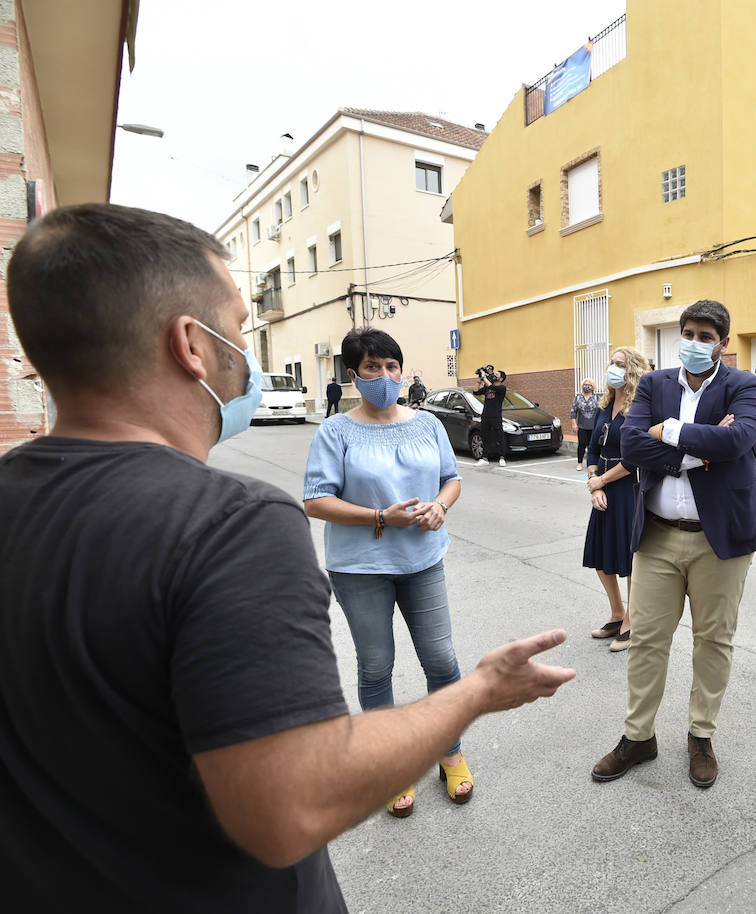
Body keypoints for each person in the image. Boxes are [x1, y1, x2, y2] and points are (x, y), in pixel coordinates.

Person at [0, 203, 575, 912]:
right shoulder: (229, 526)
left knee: (433, 654)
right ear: (191, 344)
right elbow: (288, 810)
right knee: (378, 667)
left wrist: (437, 507)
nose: (247, 349)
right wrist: (480, 693)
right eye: (239, 326)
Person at [591, 299, 756, 790]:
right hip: (658, 536)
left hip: (722, 541)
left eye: (706, 336)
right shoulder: (652, 383)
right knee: (647, 639)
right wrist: (700, 450)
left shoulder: (745, 386)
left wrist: (667, 434)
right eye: (688, 332)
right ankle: (638, 736)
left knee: (713, 640)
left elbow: (740, 443)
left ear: (723, 344)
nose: (694, 342)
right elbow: (631, 447)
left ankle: (700, 735)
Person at [304, 327, 474, 816]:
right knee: (376, 666)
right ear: (354, 375)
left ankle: (450, 751)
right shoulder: (335, 431)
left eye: (391, 366)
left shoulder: (427, 424)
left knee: (441, 661)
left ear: (402, 370)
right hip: (361, 568)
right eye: (372, 367)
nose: (384, 376)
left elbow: (452, 478)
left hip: (422, 560)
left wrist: (441, 507)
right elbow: (316, 500)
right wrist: (380, 517)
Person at [584, 347, 650, 653]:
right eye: (611, 362)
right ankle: (616, 613)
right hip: (603, 488)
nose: (612, 367)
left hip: (628, 489)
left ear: (633, 370)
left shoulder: (639, 408)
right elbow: (593, 449)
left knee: (628, 559)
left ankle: (632, 622)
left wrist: (603, 481)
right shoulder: (604, 404)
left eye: (619, 364)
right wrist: (594, 485)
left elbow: (637, 457)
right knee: (601, 556)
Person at [475, 366, 507, 467]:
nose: (494, 375)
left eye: (496, 374)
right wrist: (479, 379)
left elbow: (492, 387)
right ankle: (484, 458)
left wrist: (485, 377)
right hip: (486, 415)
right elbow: (476, 392)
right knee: (485, 436)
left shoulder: (502, 388)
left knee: (499, 436)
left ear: (501, 379)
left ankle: (502, 457)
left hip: (496, 416)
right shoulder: (487, 387)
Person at [571, 378, 601, 471]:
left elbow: (601, 411)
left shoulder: (597, 398)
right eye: (585, 384)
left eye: (589, 385)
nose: (587, 386)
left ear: (593, 387)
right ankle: (579, 463)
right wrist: (574, 424)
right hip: (582, 426)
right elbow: (573, 411)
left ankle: (593, 463)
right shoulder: (578, 397)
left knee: (593, 445)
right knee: (582, 444)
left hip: (594, 426)